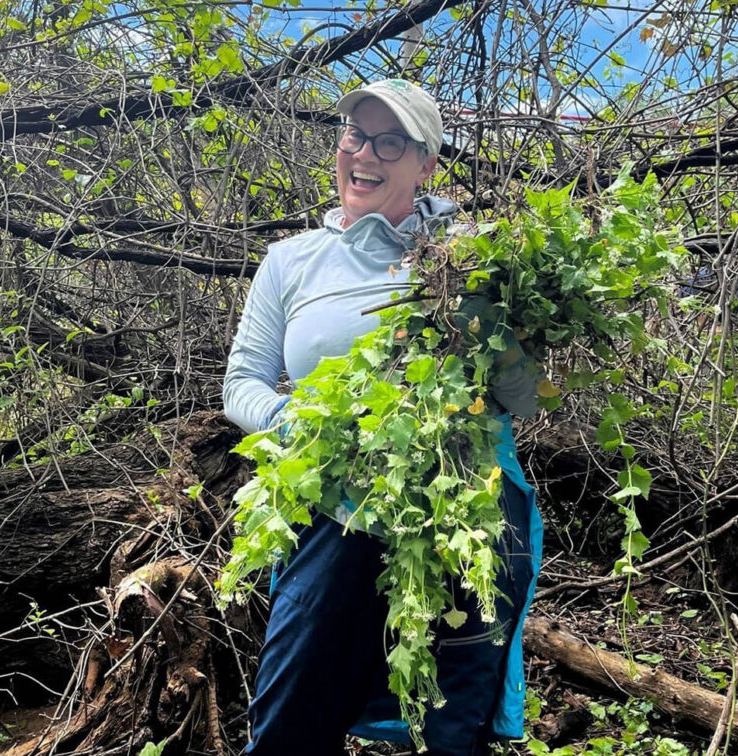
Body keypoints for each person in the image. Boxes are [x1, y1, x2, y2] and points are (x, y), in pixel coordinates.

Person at [223, 79, 543, 756]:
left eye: (389, 141)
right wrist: (303, 425)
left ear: (426, 163)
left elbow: (525, 398)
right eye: (355, 135)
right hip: (336, 505)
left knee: (450, 728)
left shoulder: (473, 254)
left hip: (466, 512)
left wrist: (484, 322)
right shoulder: (290, 262)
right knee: (292, 709)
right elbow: (242, 384)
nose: (364, 152)